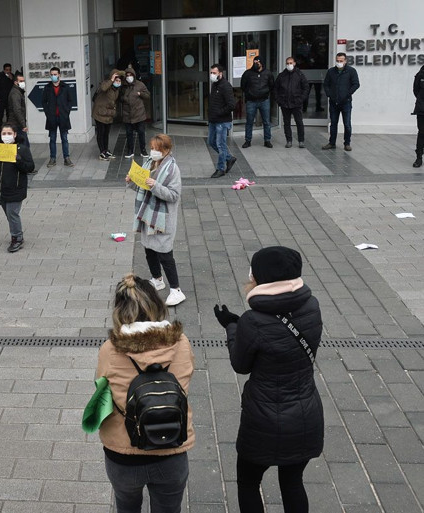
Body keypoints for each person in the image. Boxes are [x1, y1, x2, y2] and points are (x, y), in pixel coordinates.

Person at [213, 246, 324, 513]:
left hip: (263, 418)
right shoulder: (312, 306)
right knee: (293, 482)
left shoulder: (253, 320)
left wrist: (232, 327)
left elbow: (241, 365)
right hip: (306, 415)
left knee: (249, 482)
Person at [96, 273, 195, 513]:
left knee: (127, 507)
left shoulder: (110, 350)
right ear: (155, 304)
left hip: (123, 454)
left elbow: (101, 387)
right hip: (171, 447)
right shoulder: (181, 343)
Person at [125, 134, 186, 307]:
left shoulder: (172, 169)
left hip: (162, 218)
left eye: (157, 149)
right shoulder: (148, 163)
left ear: (167, 150)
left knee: (165, 253)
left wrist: (155, 186)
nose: (153, 152)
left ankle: (176, 290)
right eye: (152, 148)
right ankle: (157, 279)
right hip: (147, 215)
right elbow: (141, 186)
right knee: (149, 249)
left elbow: (174, 195)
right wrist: (131, 181)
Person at [0, 123, 35, 252]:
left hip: (15, 188)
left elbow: (30, 167)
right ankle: (16, 232)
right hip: (0, 188)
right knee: (9, 214)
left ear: (15, 135)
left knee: (13, 213)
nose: (6, 136)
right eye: (4, 134)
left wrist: (18, 160)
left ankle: (17, 238)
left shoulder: (22, 149)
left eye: (9, 134)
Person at [322, 52, 360, 151]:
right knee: (333, 124)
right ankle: (332, 143)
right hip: (334, 102)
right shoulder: (331, 71)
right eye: (337, 61)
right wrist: (329, 94)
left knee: (347, 124)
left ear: (345, 61)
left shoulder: (351, 71)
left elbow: (356, 84)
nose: (339, 62)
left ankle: (347, 143)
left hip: (346, 102)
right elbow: (326, 84)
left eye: (341, 61)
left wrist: (348, 94)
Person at [207, 64, 237, 178]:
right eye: (211, 73)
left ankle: (220, 169)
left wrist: (219, 112)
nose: (212, 75)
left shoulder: (226, 86)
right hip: (213, 120)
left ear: (220, 73)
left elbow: (231, 105)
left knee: (220, 144)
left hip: (222, 121)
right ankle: (229, 158)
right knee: (211, 142)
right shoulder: (215, 85)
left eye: (214, 73)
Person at [41, 67, 74, 167]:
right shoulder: (47, 88)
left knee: (64, 138)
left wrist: (66, 111)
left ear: (59, 75)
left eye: (55, 74)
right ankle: (52, 158)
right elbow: (43, 102)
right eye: (51, 74)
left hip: (63, 117)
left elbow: (70, 100)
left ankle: (66, 158)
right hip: (52, 117)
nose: (53, 76)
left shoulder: (65, 87)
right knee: (52, 139)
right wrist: (48, 112)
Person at [274, 57, 310, 149]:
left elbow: (306, 88)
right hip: (285, 103)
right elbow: (275, 89)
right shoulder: (281, 75)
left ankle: (301, 141)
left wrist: (301, 99)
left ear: (294, 63)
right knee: (286, 123)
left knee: (299, 122)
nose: (289, 65)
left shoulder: (300, 75)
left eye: (291, 63)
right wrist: (279, 100)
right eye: (287, 63)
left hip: (296, 103)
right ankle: (289, 140)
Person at [240, 56, 274, 149]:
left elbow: (271, 85)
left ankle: (267, 140)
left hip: (264, 100)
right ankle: (248, 140)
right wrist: (249, 94)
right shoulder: (247, 73)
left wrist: (266, 93)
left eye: (258, 62)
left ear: (261, 63)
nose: (256, 64)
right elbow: (243, 86)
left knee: (266, 122)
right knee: (249, 122)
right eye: (255, 62)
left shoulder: (268, 73)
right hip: (251, 101)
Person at [121, 67, 150, 160]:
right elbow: (119, 97)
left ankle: (143, 150)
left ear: (134, 75)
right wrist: (124, 99)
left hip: (139, 113)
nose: (129, 77)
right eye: (127, 75)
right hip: (127, 114)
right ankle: (130, 150)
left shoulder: (140, 85)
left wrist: (140, 94)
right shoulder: (123, 86)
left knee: (141, 132)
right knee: (129, 133)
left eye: (131, 75)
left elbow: (148, 95)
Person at [94, 70, 123, 160]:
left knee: (106, 133)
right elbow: (103, 88)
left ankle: (106, 150)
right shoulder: (106, 85)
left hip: (108, 114)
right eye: (116, 80)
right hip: (99, 113)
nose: (117, 82)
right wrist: (111, 80)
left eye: (119, 81)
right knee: (101, 132)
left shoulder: (116, 90)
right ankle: (102, 152)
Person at [8, 72, 29, 147]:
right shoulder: (15, 93)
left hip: (17, 123)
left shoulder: (18, 92)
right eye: (21, 81)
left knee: (22, 145)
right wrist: (23, 125)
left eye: (23, 81)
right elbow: (17, 110)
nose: (23, 83)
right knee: (24, 145)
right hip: (17, 123)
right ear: (15, 82)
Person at [0, 63, 14, 132]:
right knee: (0, 117)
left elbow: (16, 86)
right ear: (4, 70)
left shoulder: (12, 76)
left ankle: (9, 132)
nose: (8, 71)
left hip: (9, 100)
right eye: (7, 70)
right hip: (1, 100)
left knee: (9, 117)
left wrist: (12, 79)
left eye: (9, 70)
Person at [412, 64, 424, 168]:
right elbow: (416, 91)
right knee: (422, 132)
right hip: (422, 109)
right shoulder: (420, 74)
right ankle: (419, 157)